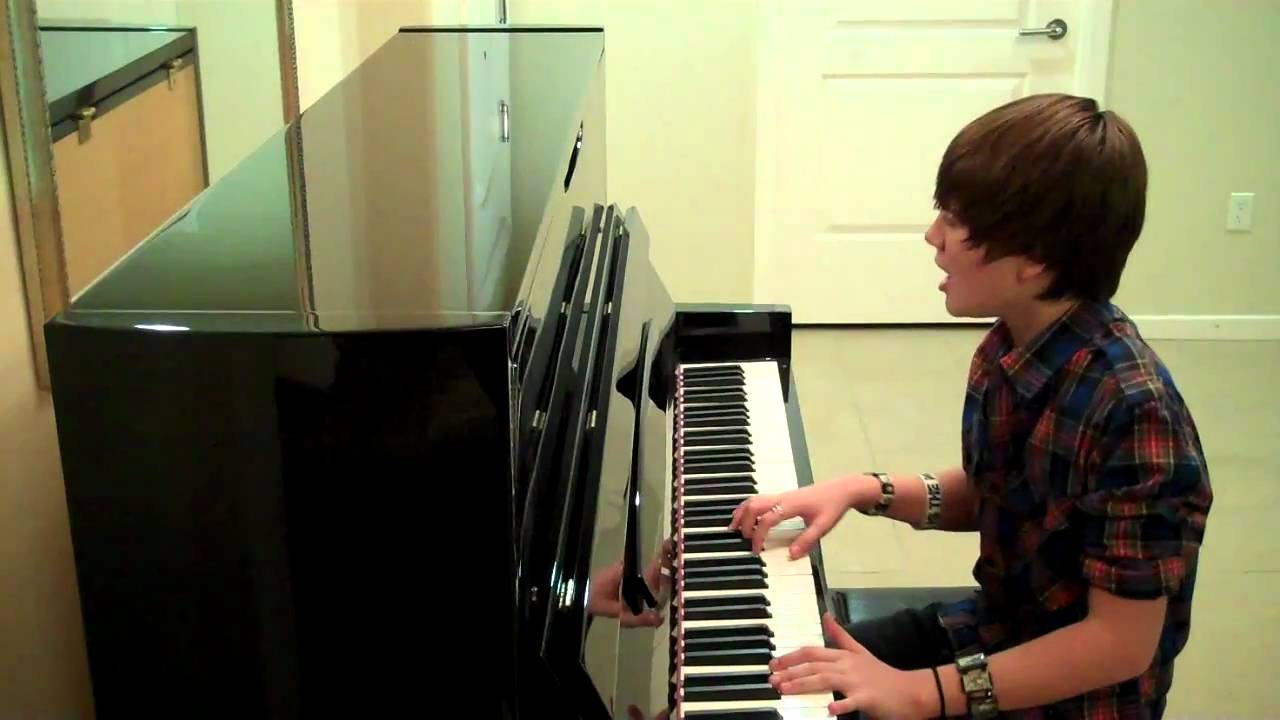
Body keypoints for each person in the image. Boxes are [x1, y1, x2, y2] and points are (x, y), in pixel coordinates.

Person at [728, 94, 1212, 719]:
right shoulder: (1010, 345)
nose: (933, 237)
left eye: (955, 221)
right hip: (992, 631)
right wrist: (863, 489)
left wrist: (921, 693)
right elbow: (997, 493)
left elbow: (1118, 644)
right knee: (772, 669)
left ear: (1034, 258)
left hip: (1074, 699)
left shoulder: (1136, 413)